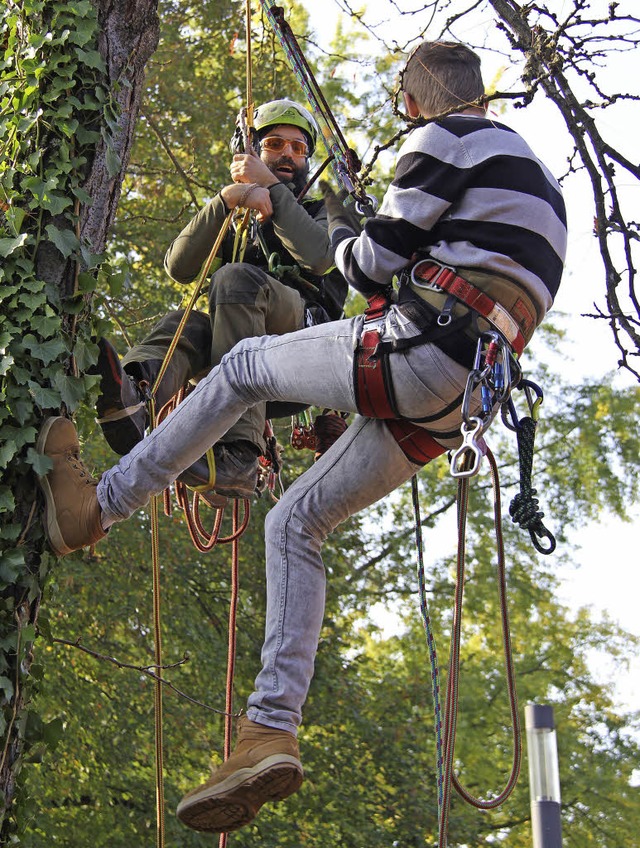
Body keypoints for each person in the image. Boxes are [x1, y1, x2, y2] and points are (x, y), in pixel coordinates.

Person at [37, 42, 567, 834]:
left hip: (420, 352)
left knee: (247, 361)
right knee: (297, 524)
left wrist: (345, 222)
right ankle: (267, 730)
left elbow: (366, 267)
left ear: (414, 101)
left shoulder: (442, 141)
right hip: (465, 395)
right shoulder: (537, 180)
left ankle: (99, 507)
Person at [95, 98, 349, 501]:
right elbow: (179, 267)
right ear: (252, 151)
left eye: (297, 148)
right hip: (250, 367)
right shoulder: (240, 220)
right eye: (275, 144)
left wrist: (273, 190)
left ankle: (240, 456)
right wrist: (227, 201)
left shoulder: (330, 210)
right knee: (185, 323)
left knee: (235, 280)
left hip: (307, 346)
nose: (287, 154)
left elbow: (319, 257)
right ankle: (138, 396)